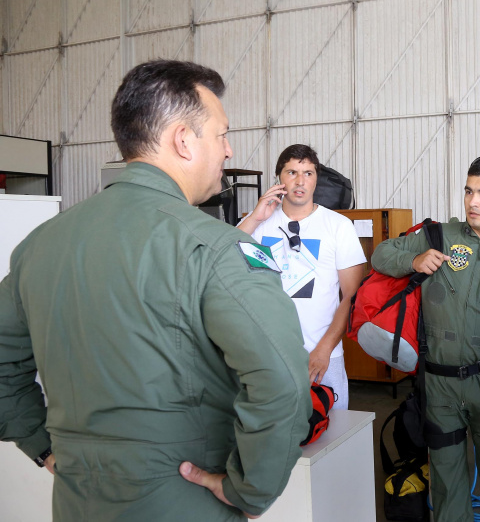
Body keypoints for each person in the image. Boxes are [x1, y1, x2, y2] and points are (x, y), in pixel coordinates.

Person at [0, 59, 312, 520]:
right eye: (222, 134)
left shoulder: (38, 247)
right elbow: (281, 380)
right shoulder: (219, 249)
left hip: (76, 501)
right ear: (183, 140)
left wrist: (44, 448)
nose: (228, 151)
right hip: (185, 499)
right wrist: (249, 488)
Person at [371, 156, 480, 522]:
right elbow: (381, 254)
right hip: (438, 387)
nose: (473, 202)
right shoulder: (439, 236)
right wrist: (415, 259)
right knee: (445, 480)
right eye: (469, 191)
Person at [237, 144, 366, 409]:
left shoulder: (338, 226)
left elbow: (352, 297)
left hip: (321, 355)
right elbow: (223, 255)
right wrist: (255, 217)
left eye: (308, 173)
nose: (300, 181)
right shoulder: (259, 223)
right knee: (272, 432)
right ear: (278, 178)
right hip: (270, 354)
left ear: (316, 178)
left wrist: (325, 349)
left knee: (331, 433)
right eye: (292, 172)